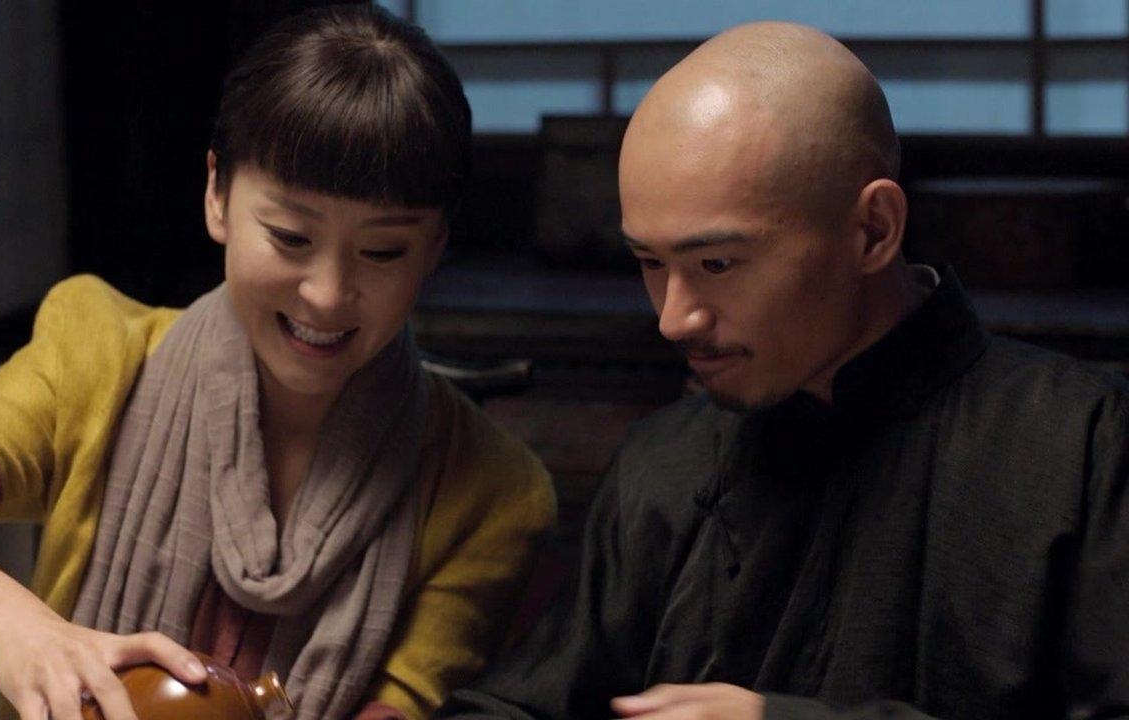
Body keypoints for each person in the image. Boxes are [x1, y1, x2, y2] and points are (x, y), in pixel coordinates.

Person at [0, 6, 554, 720]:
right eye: (290, 237)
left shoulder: (492, 491)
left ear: (435, 248)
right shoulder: (100, 354)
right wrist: (20, 628)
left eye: (382, 251)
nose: (327, 294)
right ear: (217, 194)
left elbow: (402, 705)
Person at [436, 21, 1129, 720]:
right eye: (650, 262)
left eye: (717, 264)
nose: (674, 319)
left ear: (873, 231)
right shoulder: (665, 461)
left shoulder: (1082, 443)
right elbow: (525, 705)